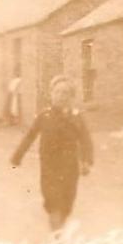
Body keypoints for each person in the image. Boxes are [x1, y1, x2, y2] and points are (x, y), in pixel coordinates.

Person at [10, 75, 94, 232]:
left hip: (70, 168)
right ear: (51, 94)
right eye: (57, 92)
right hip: (49, 168)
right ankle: (57, 235)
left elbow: (85, 140)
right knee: (53, 202)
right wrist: (17, 156)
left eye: (65, 93)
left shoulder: (76, 117)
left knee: (67, 204)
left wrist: (86, 161)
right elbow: (30, 136)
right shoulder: (44, 116)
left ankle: (60, 227)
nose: (60, 96)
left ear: (71, 97)